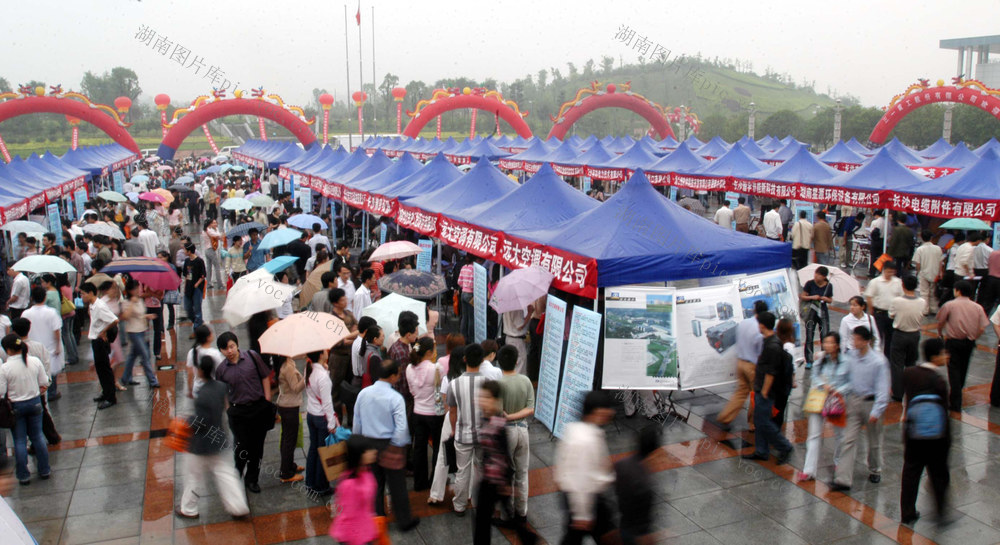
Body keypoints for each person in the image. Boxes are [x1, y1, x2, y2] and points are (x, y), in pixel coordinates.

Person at [175, 354, 251, 520]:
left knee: (193, 477)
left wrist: (186, 420)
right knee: (226, 474)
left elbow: (200, 423)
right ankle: (238, 507)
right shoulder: (221, 387)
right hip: (219, 439)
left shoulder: (202, 395)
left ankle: (188, 508)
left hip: (201, 445)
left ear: (201, 371)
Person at [353, 358, 420, 532]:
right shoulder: (395, 397)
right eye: (397, 373)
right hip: (388, 443)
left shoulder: (363, 393)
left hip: (368, 443)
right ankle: (404, 521)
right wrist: (398, 446)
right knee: (397, 485)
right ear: (392, 376)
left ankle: (377, 518)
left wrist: (359, 443)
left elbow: (357, 422)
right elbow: (401, 427)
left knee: (375, 484)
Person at [473, 380, 538, 545]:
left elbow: (502, 453)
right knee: (504, 515)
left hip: (495, 480)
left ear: (495, 400)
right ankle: (528, 538)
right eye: (481, 397)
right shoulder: (485, 418)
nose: (482, 400)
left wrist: (506, 482)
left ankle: (528, 538)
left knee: (483, 520)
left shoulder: (497, 422)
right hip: (491, 477)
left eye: (486, 398)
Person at [830, 326, 890, 491]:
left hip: (871, 403)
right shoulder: (851, 356)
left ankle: (875, 469)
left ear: (866, 341)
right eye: (853, 338)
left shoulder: (879, 362)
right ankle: (843, 479)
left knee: (874, 442)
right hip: (854, 401)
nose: (853, 342)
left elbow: (883, 389)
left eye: (857, 339)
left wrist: (877, 411)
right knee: (848, 440)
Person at [899, 338, 951, 526]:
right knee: (937, 472)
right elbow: (943, 411)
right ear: (935, 357)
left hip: (913, 431)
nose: (947, 357)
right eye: (944, 353)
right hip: (935, 436)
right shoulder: (939, 380)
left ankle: (907, 512)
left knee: (911, 472)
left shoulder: (910, 373)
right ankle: (940, 512)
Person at [555, 390, 618, 545]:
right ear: (596, 412)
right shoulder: (587, 440)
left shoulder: (573, 429)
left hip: (576, 499)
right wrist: (582, 515)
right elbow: (581, 479)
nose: (610, 414)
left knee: (573, 538)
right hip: (588, 500)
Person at [213, 331, 273, 494]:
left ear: (237, 345)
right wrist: (228, 409)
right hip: (238, 412)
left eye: (232, 346)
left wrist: (267, 399)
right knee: (241, 445)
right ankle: (237, 473)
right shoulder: (221, 370)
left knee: (257, 447)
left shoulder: (252, 357)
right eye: (225, 349)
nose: (230, 351)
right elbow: (222, 391)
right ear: (221, 351)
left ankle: (252, 479)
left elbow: (265, 376)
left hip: (258, 407)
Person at [742, 312, 795, 464]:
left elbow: (771, 372)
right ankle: (761, 450)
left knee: (764, 422)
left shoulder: (772, 345)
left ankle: (785, 446)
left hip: (766, 391)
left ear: (762, 325)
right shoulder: (769, 341)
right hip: (761, 388)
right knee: (759, 421)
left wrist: (764, 391)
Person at [798, 333, 850, 482]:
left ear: (837, 345)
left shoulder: (846, 362)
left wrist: (838, 390)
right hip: (819, 400)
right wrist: (823, 385)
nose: (827, 345)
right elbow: (813, 376)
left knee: (841, 435)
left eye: (830, 343)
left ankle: (839, 462)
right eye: (825, 342)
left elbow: (851, 382)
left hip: (836, 402)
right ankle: (809, 471)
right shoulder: (820, 360)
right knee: (813, 435)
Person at [0, 334, 51, 485]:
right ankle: (44, 470)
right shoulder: (34, 361)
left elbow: (1, 392)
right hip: (35, 403)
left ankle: (23, 475)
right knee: (38, 437)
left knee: (20, 441)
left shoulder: (5, 368)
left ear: (8, 350)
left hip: (16, 406)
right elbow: (44, 382)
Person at [936, 280, 989, 411]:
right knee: (964, 368)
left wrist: (940, 333)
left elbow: (940, 321)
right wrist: (974, 337)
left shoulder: (950, 305)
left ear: (958, 291)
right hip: (969, 342)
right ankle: (957, 392)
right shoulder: (977, 307)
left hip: (953, 341)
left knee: (953, 369)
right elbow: (982, 327)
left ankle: (955, 401)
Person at [448, 343, 488, 517]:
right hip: (484, 435)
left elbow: (452, 411)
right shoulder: (488, 383)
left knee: (462, 471)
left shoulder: (454, 384)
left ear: (465, 359)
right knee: (481, 469)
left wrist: (453, 429)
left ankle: (460, 505)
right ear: (482, 360)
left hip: (462, 435)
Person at [716, 300, 767, 431]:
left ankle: (725, 417)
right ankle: (752, 423)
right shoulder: (759, 329)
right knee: (755, 395)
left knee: (740, 392)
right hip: (752, 366)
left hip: (740, 362)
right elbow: (761, 351)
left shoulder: (744, 323)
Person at [498, 344, 534, 522]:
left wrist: (508, 416)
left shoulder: (498, 384)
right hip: (523, 430)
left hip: (506, 432)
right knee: (522, 473)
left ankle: (507, 513)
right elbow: (531, 409)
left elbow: (497, 412)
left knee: (507, 474)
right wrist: (515, 416)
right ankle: (522, 512)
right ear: (516, 361)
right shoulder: (525, 381)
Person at [406, 337, 444, 491]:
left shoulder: (409, 368)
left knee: (419, 448)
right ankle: (435, 481)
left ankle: (419, 482)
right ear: (429, 352)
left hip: (417, 411)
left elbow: (412, 391)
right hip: (434, 413)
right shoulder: (436, 368)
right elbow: (441, 390)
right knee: (436, 448)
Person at [614, 426, 661, 545]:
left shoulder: (621, 464)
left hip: (623, 524)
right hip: (636, 533)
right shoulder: (644, 482)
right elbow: (644, 515)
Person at [329, 435, 379, 545]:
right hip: (354, 537)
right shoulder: (349, 484)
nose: (374, 451)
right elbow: (348, 516)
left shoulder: (365, 471)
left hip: (364, 530)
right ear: (359, 455)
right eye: (368, 450)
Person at [305, 350, 338, 496]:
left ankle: (310, 482)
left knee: (313, 449)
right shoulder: (322, 376)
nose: (327, 352)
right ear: (320, 355)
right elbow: (327, 402)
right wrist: (331, 424)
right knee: (322, 451)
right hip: (321, 418)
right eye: (325, 351)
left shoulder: (309, 369)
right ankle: (321, 485)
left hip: (311, 414)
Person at [21, 287, 63, 400]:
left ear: (32, 298)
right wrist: (58, 345)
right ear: (45, 297)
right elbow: (56, 330)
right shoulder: (51, 312)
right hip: (50, 345)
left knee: (34, 369)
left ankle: (37, 391)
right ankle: (52, 392)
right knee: (51, 369)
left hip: (31, 345)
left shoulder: (26, 313)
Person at [81, 282, 118, 409]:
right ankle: (105, 392)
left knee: (105, 369)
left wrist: (103, 331)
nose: (82, 296)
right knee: (100, 369)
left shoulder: (100, 306)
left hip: (100, 342)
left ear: (91, 293)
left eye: (83, 293)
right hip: (96, 340)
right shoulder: (93, 305)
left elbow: (114, 320)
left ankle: (111, 397)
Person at [888, 275, 925, 401]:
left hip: (900, 334)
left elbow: (891, 315)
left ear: (903, 285)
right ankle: (911, 390)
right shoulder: (922, 302)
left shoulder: (897, 301)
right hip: (914, 334)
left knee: (897, 364)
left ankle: (898, 392)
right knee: (911, 363)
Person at [119, 280, 160, 389]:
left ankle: (125, 378)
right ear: (130, 290)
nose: (138, 290)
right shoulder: (126, 302)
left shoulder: (140, 300)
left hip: (142, 330)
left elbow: (140, 314)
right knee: (145, 355)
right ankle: (152, 380)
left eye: (138, 288)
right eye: (135, 289)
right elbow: (126, 316)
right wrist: (132, 302)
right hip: (133, 332)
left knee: (132, 356)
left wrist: (147, 316)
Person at [276, 355, 306, 483]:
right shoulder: (287, 367)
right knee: (289, 440)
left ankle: (289, 465)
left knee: (287, 438)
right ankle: (286, 473)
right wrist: (306, 377)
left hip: (286, 404)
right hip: (289, 406)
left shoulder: (287, 362)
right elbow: (295, 387)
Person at [865, 260, 903, 356]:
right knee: (877, 337)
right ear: (883, 270)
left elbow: (901, 297)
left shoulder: (898, 282)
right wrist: (871, 311)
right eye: (888, 271)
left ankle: (887, 358)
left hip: (892, 314)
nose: (890, 274)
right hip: (879, 313)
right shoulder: (875, 282)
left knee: (890, 339)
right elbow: (869, 297)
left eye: (892, 272)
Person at [800, 266, 833, 363]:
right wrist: (812, 297)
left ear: (824, 277)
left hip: (823, 312)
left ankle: (824, 357)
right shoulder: (810, 283)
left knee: (824, 334)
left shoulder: (828, 286)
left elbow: (830, 299)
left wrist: (825, 299)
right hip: (811, 312)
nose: (816, 276)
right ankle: (809, 359)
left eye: (818, 275)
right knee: (809, 335)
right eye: (815, 274)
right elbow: (803, 296)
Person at [186, 325, 223, 399]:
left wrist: (190, 390)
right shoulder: (215, 354)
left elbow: (190, 374)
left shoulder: (192, 352)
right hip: (213, 390)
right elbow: (221, 373)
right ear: (208, 337)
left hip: (197, 389)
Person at [773, 318, 797, 428]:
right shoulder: (790, 346)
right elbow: (792, 365)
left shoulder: (774, 341)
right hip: (784, 383)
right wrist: (793, 380)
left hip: (774, 380)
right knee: (780, 409)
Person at [913, 230, 943, 315]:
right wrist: (940, 272)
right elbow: (940, 262)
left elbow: (917, 263)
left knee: (924, 292)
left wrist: (918, 271)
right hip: (935, 272)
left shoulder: (920, 249)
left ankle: (925, 310)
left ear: (922, 238)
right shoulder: (938, 248)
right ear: (931, 238)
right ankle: (934, 308)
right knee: (933, 292)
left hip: (923, 272)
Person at [182, 243, 207, 333]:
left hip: (197, 288)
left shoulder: (199, 261)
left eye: (185, 250)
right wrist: (185, 286)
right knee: (188, 308)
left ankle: (197, 329)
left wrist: (197, 284)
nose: (183, 251)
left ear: (189, 251)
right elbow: (186, 275)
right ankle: (197, 321)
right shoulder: (187, 261)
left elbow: (203, 275)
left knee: (197, 308)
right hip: (188, 287)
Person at [201, 219, 226, 290]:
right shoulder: (208, 230)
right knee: (217, 266)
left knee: (209, 268)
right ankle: (220, 284)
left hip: (206, 250)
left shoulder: (203, 231)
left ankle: (208, 283)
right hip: (211, 250)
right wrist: (220, 234)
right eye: (212, 223)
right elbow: (216, 235)